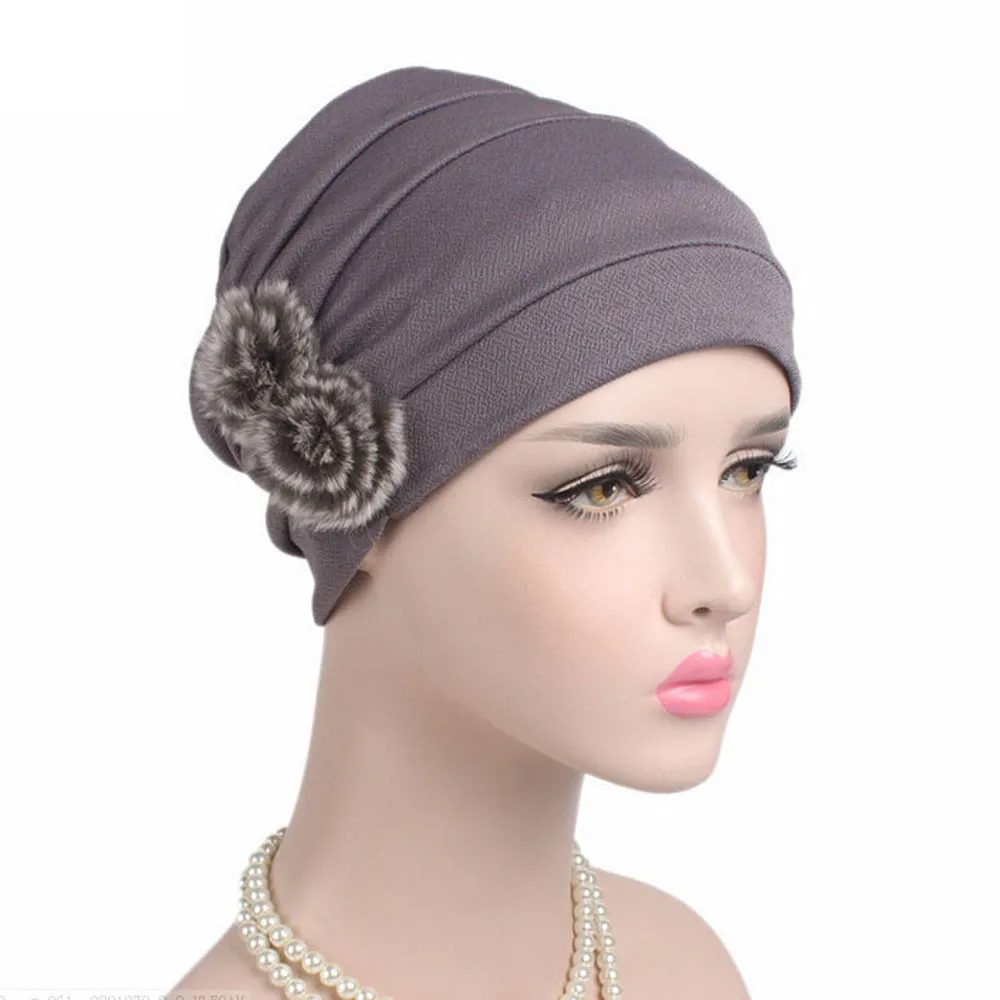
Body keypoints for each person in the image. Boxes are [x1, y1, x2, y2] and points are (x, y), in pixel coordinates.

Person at [169, 65, 803, 1000]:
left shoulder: (686, 969)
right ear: (349, 493)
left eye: (747, 471)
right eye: (601, 488)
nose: (725, 583)